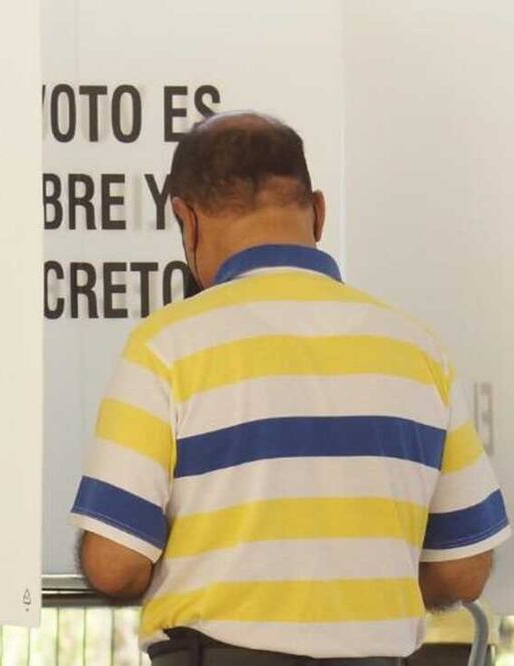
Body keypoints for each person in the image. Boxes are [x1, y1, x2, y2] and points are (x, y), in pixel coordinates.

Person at [69, 110, 511, 665]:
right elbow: (462, 570)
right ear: (318, 212)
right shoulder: (418, 350)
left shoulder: (166, 346)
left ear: (187, 220)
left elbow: (116, 563)